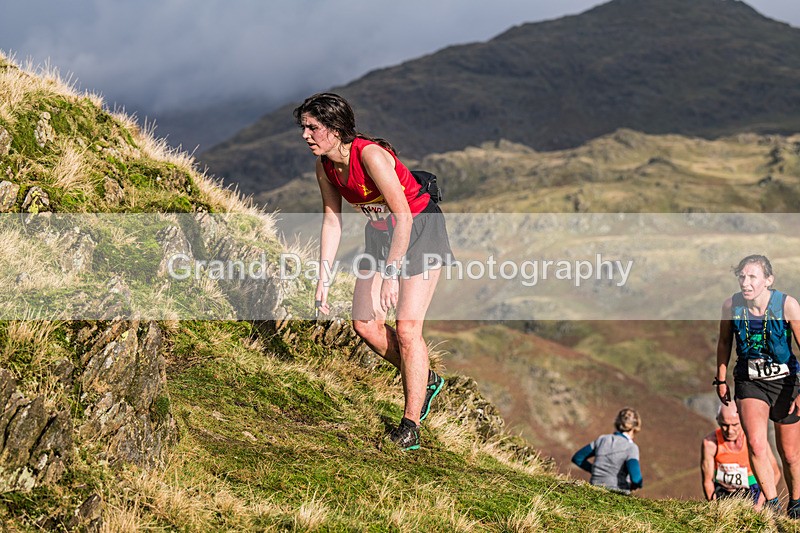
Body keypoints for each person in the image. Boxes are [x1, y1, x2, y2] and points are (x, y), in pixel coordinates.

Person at [293, 93, 453, 451]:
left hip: (419, 230)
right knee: (364, 323)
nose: (305, 135)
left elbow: (405, 217)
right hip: (380, 236)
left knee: (408, 328)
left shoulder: (371, 156)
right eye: (303, 127)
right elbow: (332, 221)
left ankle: (410, 425)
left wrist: (392, 274)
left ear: (335, 129)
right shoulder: (325, 166)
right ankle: (424, 378)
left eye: (312, 127)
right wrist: (323, 275)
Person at [715, 254, 800, 516]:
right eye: (742, 276)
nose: (746, 282)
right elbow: (724, 342)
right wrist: (720, 378)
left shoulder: (787, 305)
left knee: (789, 454)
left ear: (768, 280)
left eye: (752, 276)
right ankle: (772, 506)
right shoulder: (732, 305)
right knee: (756, 443)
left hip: (786, 383)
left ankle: (796, 504)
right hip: (749, 381)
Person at [701, 402, 780, 508]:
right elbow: (707, 480)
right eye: (725, 425)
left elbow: (775, 473)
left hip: (752, 490)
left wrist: (760, 503)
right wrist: (713, 506)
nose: (730, 430)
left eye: (735, 425)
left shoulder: (754, 441)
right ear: (718, 421)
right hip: (723, 491)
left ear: (742, 421)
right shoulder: (710, 443)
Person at [571, 407, 643, 494]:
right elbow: (636, 479)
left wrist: (596, 471)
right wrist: (635, 486)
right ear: (634, 428)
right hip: (618, 493)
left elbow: (578, 458)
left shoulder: (602, 440)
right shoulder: (631, 447)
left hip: (593, 490)